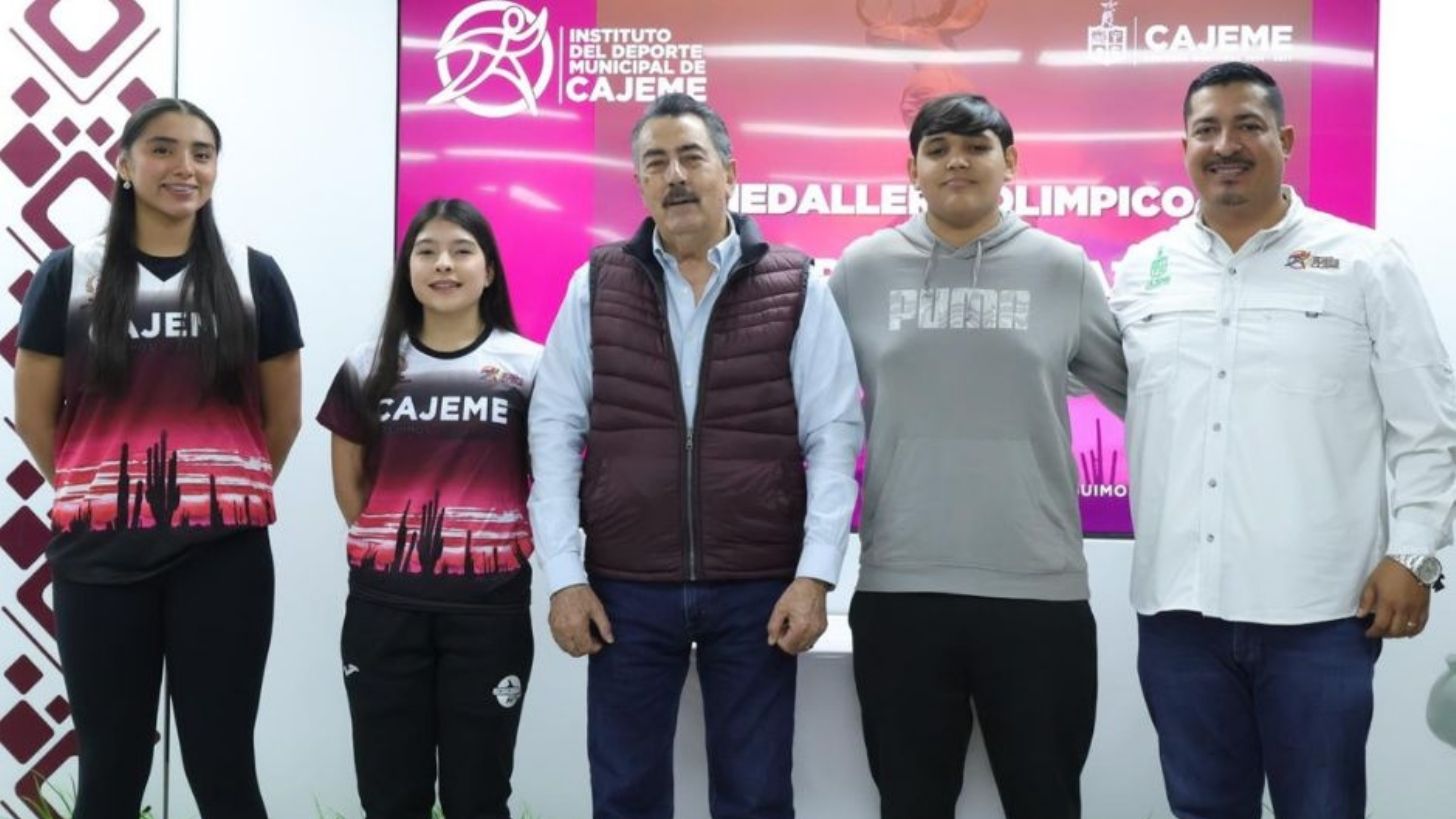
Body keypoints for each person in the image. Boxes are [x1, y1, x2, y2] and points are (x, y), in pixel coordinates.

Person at [1111, 62, 1456, 819]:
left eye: (1248, 126)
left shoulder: (1364, 262)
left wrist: (1414, 554)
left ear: (1285, 139)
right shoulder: (1142, 271)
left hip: (1320, 613)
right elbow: (1130, 397)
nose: (1226, 145)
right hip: (1178, 613)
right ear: (1184, 145)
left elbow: (1429, 426)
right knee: (1203, 809)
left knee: (1322, 808)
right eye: (1207, 129)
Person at [528, 92, 863, 819]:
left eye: (691, 157)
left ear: (729, 172)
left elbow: (834, 436)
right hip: (625, 587)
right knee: (625, 794)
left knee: (756, 794)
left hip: (757, 588)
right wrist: (564, 577)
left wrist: (815, 575)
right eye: (656, 163)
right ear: (639, 183)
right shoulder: (597, 284)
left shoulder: (797, 284)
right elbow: (552, 429)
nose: (675, 176)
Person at [828, 93, 1126, 819]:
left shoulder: (1063, 269)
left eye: (976, 146)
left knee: (1046, 802)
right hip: (902, 588)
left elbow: (1144, 395)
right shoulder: (861, 271)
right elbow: (817, 412)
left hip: (1038, 591)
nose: (956, 161)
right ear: (912, 169)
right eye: (937, 149)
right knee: (910, 803)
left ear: (1010, 162)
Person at [12, 97, 302, 818]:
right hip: (99, 557)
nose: (185, 167)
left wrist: (219, 492)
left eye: (202, 153)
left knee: (222, 763)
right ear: (124, 165)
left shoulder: (254, 275)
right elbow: (35, 415)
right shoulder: (68, 274)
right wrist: (99, 493)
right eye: (163, 149)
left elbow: (283, 419)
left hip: (225, 557)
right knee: (111, 766)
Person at [317, 198, 540, 817]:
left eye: (462, 251)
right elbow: (350, 486)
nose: (444, 264)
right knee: (390, 795)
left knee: (479, 795)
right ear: (407, 269)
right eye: (427, 251)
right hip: (384, 608)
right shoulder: (367, 366)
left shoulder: (529, 366)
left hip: (490, 612)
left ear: (488, 271)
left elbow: (549, 478)